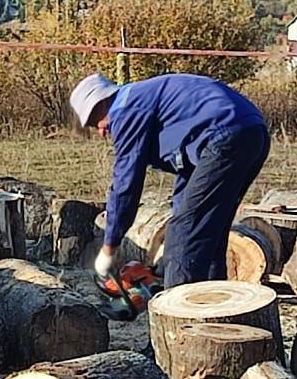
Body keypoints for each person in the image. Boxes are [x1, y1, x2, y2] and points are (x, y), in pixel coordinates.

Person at [70, 72, 271, 288]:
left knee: (185, 230)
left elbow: (125, 183)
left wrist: (109, 247)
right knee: (210, 229)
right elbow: (190, 175)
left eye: (94, 122)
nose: (101, 132)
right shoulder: (144, 96)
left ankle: (179, 311)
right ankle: (214, 304)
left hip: (225, 136)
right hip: (252, 133)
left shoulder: (125, 109)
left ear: (101, 102)